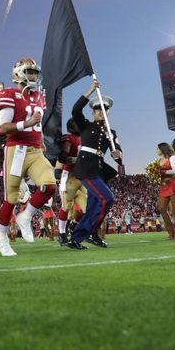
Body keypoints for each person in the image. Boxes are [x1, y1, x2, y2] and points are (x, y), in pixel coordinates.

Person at [0, 58, 56, 256]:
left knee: (49, 185)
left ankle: (26, 216)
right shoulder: (9, 94)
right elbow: (3, 127)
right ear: (19, 73)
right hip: (16, 150)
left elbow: (37, 125)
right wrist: (27, 123)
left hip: (36, 150)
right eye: (29, 72)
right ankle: (2, 238)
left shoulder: (38, 97)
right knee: (11, 198)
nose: (33, 76)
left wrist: (41, 139)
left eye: (35, 72)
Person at [67, 79, 123, 250]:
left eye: (104, 109)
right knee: (107, 198)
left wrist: (117, 155)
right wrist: (90, 90)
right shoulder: (86, 126)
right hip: (86, 168)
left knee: (95, 204)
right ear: (93, 112)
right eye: (98, 109)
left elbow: (119, 157)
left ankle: (85, 235)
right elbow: (75, 109)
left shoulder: (111, 133)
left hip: (98, 169)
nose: (101, 112)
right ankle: (84, 233)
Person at [57, 118, 87, 246]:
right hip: (69, 176)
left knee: (88, 205)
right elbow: (63, 157)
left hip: (81, 176)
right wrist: (79, 159)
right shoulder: (68, 138)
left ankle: (74, 226)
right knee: (67, 205)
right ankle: (62, 233)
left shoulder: (83, 139)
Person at [156, 142, 175, 240]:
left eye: (158, 149)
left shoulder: (172, 157)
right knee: (162, 208)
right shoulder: (159, 160)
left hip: (173, 184)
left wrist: (163, 172)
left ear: (163, 149)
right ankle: (170, 232)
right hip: (164, 186)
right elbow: (156, 174)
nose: (157, 151)